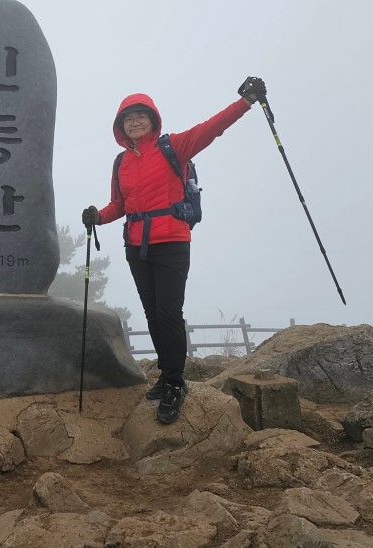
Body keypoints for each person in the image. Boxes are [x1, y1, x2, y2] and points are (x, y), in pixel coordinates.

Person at [82, 77, 266, 424]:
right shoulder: (120, 162)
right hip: (136, 245)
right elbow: (119, 204)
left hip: (171, 241)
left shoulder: (173, 147)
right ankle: (167, 375)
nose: (135, 122)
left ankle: (175, 383)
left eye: (141, 116)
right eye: (128, 118)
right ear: (120, 126)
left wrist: (245, 102)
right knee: (152, 313)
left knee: (168, 313)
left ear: (153, 119)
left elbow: (211, 129)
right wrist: (98, 216)